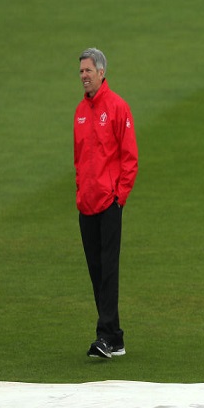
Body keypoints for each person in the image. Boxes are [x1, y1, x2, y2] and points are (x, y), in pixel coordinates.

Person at [74, 48, 138, 359]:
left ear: (102, 72)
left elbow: (130, 158)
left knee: (109, 270)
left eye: (88, 70)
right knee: (96, 271)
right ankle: (115, 337)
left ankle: (104, 336)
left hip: (109, 203)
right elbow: (78, 159)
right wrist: (79, 192)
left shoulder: (117, 108)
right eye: (81, 71)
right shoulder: (80, 112)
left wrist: (119, 197)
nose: (83, 75)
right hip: (86, 204)